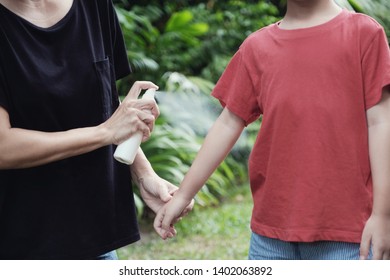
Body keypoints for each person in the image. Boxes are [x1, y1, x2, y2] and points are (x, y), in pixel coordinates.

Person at [154, 0, 390, 260]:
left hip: (348, 235)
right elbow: (228, 122)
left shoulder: (364, 34)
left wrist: (383, 215)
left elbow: (381, 123)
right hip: (271, 237)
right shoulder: (257, 46)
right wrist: (184, 194)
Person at [0, 0, 189, 260]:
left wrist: (145, 176)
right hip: (20, 244)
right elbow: (3, 146)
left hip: (95, 237)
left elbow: (107, 101)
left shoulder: (94, 5)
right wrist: (105, 132)